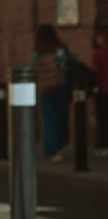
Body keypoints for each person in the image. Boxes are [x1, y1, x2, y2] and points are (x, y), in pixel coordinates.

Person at [30, 23, 76, 161]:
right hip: (61, 87)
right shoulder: (60, 50)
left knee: (49, 119)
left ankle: (52, 149)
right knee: (62, 117)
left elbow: (32, 69)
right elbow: (73, 62)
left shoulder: (37, 52)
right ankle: (60, 145)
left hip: (45, 89)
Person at [93, 19, 108, 159]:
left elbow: (96, 73)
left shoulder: (98, 53)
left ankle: (104, 145)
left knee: (103, 119)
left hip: (103, 90)